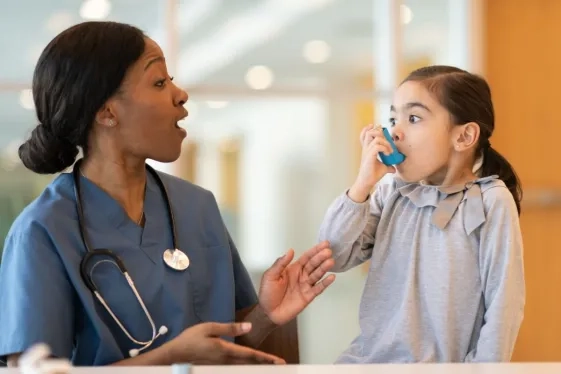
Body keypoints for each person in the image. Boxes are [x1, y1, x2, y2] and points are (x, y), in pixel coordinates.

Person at [0, 21, 336, 367]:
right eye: (159, 82)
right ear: (107, 112)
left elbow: (225, 348)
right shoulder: (43, 230)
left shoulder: (197, 206)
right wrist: (171, 359)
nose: (181, 94)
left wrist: (266, 314)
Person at [318, 65, 525, 363]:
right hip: (367, 364)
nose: (395, 132)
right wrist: (362, 184)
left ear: (464, 136)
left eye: (413, 118)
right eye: (392, 118)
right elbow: (333, 255)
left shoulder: (491, 201)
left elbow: (504, 303)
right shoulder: (392, 191)